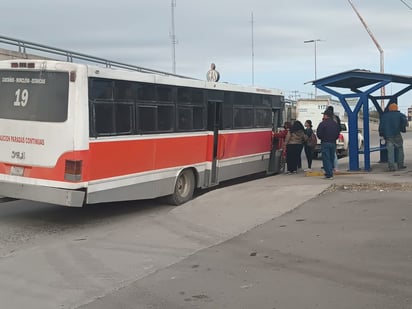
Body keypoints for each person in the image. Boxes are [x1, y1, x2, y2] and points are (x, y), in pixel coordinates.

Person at [378, 102, 408, 172]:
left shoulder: (384, 116)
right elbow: (405, 123)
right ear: (396, 108)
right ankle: (400, 165)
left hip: (388, 136)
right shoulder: (400, 115)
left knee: (390, 151)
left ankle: (391, 167)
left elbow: (381, 126)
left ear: (389, 109)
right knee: (400, 149)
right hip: (397, 134)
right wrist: (403, 129)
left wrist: (381, 134)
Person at [316, 109, 340, 179]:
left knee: (326, 158)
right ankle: (330, 171)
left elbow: (319, 134)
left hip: (325, 142)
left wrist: (322, 138)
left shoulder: (322, 123)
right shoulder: (335, 124)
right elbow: (337, 133)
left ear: (326, 115)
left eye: (324, 114)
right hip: (333, 143)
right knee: (332, 158)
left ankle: (329, 174)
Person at [324, 106, 341, 171]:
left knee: (327, 154)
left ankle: (330, 167)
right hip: (334, 138)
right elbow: (339, 128)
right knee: (333, 153)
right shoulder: (336, 118)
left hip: (326, 139)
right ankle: (335, 167)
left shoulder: (327, 119)